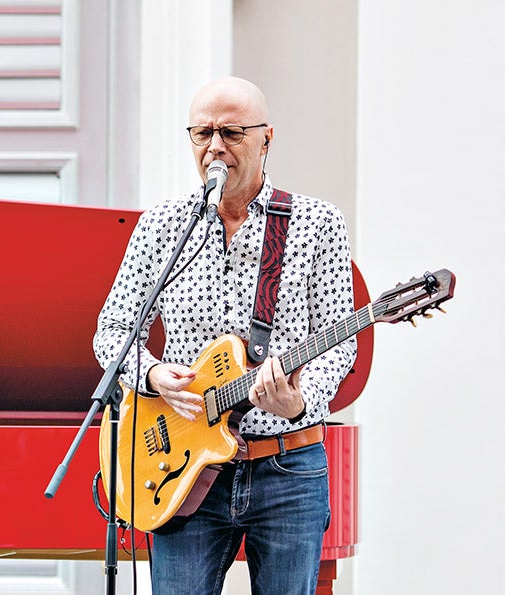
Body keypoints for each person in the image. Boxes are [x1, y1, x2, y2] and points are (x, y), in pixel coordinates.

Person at [93, 77, 357, 594]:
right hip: (181, 468)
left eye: (232, 133)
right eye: (203, 133)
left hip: (288, 465)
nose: (215, 146)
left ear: (266, 139)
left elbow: (339, 340)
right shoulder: (163, 225)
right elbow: (114, 330)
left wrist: (300, 401)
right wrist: (152, 375)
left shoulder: (317, 222)